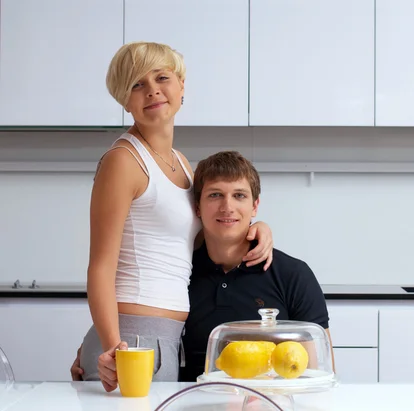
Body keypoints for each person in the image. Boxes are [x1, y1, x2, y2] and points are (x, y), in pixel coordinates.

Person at [79, 41, 274, 392]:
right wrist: (111, 347)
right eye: (137, 84)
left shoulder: (182, 164)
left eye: (162, 77)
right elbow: (100, 267)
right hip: (131, 339)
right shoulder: (123, 162)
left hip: (166, 339)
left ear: (181, 86)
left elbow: (197, 239)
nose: (152, 90)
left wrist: (256, 228)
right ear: (125, 101)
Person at [72, 151, 332, 383]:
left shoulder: (293, 275)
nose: (227, 207)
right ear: (197, 207)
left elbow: (319, 373)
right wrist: (95, 352)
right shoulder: (179, 272)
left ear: (255, 206)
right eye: (215, 195)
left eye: (239, 196)